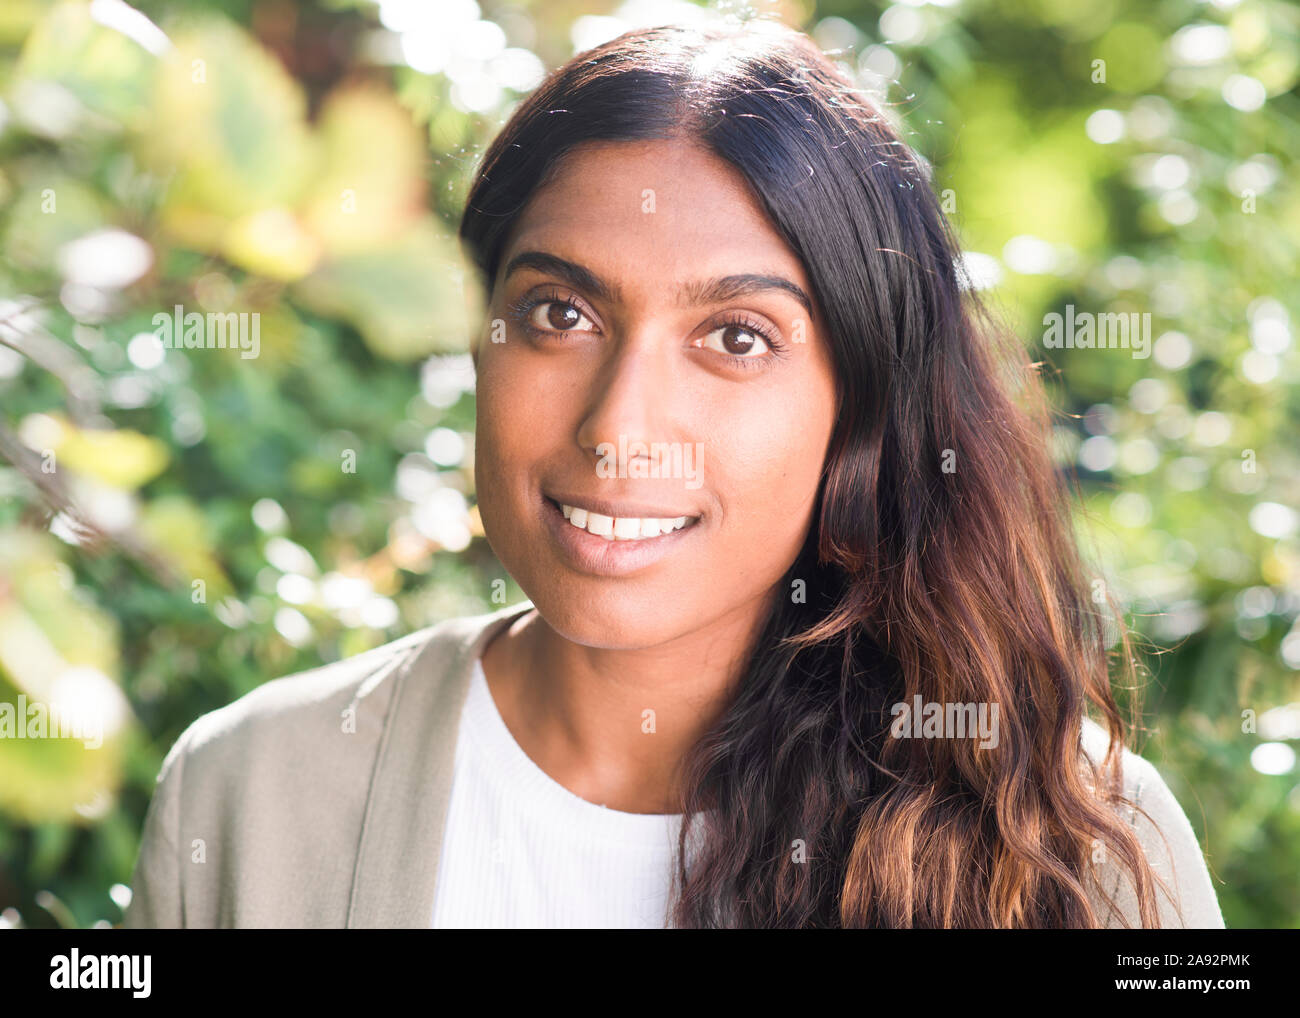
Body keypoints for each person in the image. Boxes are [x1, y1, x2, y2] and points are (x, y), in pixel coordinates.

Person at [123, 16, 1224, 929]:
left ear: (864, 402)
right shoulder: (254, 791)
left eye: (736, 338)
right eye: (559, 314)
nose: (620, 427)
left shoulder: (1071, 842)